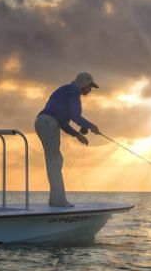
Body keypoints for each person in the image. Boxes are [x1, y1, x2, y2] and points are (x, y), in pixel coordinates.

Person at [35, 72, 102, 207]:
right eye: (90, 86)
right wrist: (90, 126)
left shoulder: (66, 90)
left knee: (54, 161)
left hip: (45, 122)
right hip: (48, 123)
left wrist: (77, 135)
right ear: (83, 83)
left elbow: (63, 122)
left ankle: (55, 200)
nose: (90, 90)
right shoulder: (73, 90)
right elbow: (75, 116)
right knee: (55, 161)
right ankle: (59, 201)